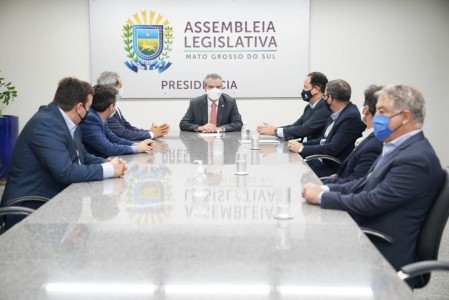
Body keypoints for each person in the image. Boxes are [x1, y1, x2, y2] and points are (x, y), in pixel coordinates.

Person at [302, 84, 444, 287]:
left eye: (382, 112)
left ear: (404, 117)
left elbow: (372, 201)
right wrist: (325, 189)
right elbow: (364, 184)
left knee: (307, 260)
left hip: (383, 250)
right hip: (369, 233)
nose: (375, 117)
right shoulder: (398, 146)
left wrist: (322, 197)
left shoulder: (415, 159)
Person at [0, 77, 127, 229]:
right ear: (79, 107)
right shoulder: (46, 124)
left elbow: (83, 157)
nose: (89, 112)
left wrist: (107, 162)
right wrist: (110, 169)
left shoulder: (67, 122)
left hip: (54, 202)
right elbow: (65, 172)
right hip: (30, 210)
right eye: (88, 107)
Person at [288, 79, 365, 178]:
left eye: (325, 96)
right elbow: (323, 140)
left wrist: (301, 149)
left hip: (333, 167)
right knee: (293, 165)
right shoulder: (336, 112)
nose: (323, 99)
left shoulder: (350, 117)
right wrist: (301, 145)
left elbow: (333, 148)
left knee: (294, 173)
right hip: (323, 160)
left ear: (331, 98)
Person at [323, 85, 383, 184]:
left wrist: (324, 189)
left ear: (365, 110)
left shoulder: (375, 143)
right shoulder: (369, 137)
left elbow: (356, 183)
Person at [79, 84, 155, 158]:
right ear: (111, 107)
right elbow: (108, 148)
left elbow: (115, 139)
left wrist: (137, 145)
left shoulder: (101, 118)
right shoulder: (90, 119)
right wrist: (137, 149)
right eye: (115, 103)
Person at [256, 72, 331, 141]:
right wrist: (274, 129)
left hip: (313, 151)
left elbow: (304, 130)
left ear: (315, 89)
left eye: (305, 87)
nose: (303, 90)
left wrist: (275, 131)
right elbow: (295, 126)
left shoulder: (325, 107)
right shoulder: (309, 107)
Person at [97, 71, 170, 140]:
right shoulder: (104, 109)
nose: (122, 89)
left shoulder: (115, 107)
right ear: (111, 88)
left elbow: (128, 127)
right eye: (120, 86)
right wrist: (152, 134)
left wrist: (150, 132)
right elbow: (122, 133)